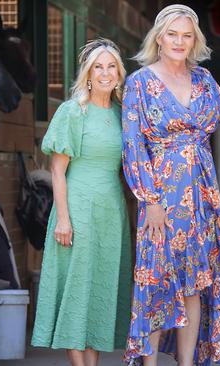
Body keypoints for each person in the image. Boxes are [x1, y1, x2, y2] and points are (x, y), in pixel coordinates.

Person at [121, 4, 220, 366]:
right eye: (172, 35)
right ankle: (148, 363)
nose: (179, 42)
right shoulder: (140, 83)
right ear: (159, 38)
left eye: (186, 35)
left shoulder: (204, 81)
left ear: (194, 40)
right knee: (156, 281)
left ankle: (187, 363)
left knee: (195, 285)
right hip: (162, 197)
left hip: (201, 196)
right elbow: (133, 146)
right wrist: (149, 200)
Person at [31, 38, 132, 366]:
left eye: (111, 66)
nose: (105, 73)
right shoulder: (73, 112)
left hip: (111, 215)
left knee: (100, 292)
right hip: (76, 210)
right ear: (87, 74)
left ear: (119, 72)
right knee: (76, 293)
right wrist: (63, 219)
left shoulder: (122, 114)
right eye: (98, 67)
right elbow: (57, 172)